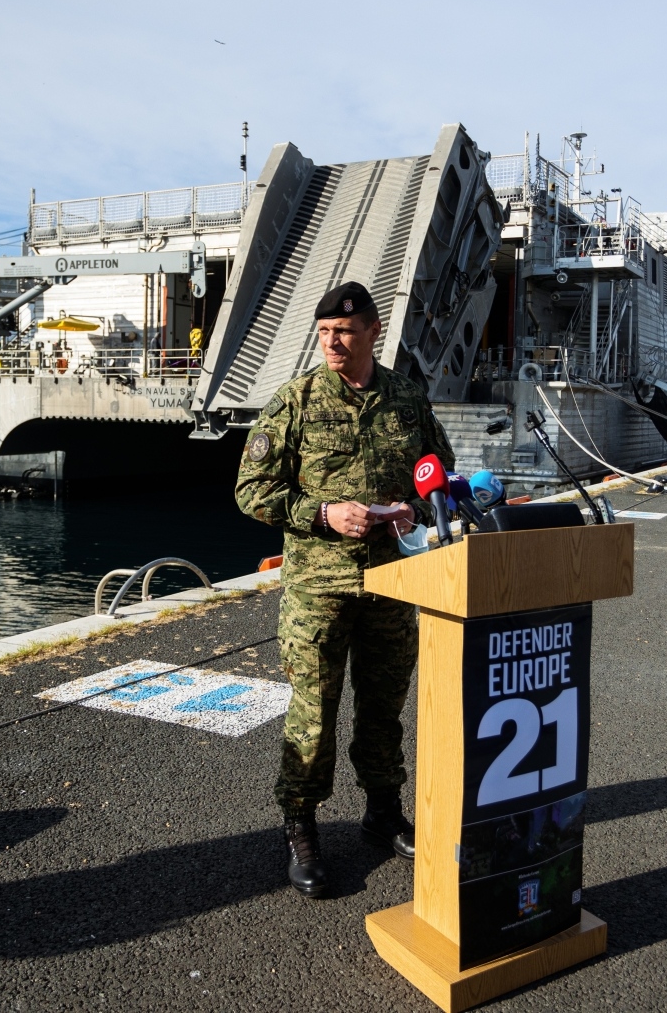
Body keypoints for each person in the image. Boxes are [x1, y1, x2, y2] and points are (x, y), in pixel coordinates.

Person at [235, 281, 455, 898]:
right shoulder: (296, 400)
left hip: (393, 580)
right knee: (314, 710)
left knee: (384, 704)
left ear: (372, 333)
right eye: (325, 331)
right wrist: (323, 514)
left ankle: (384, 813)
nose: (332, 341)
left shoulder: (407, 399)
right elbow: (250, 491)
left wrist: (414, 506)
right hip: (318, 590)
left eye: (345, 332)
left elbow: (440, 472)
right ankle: (301, 826)